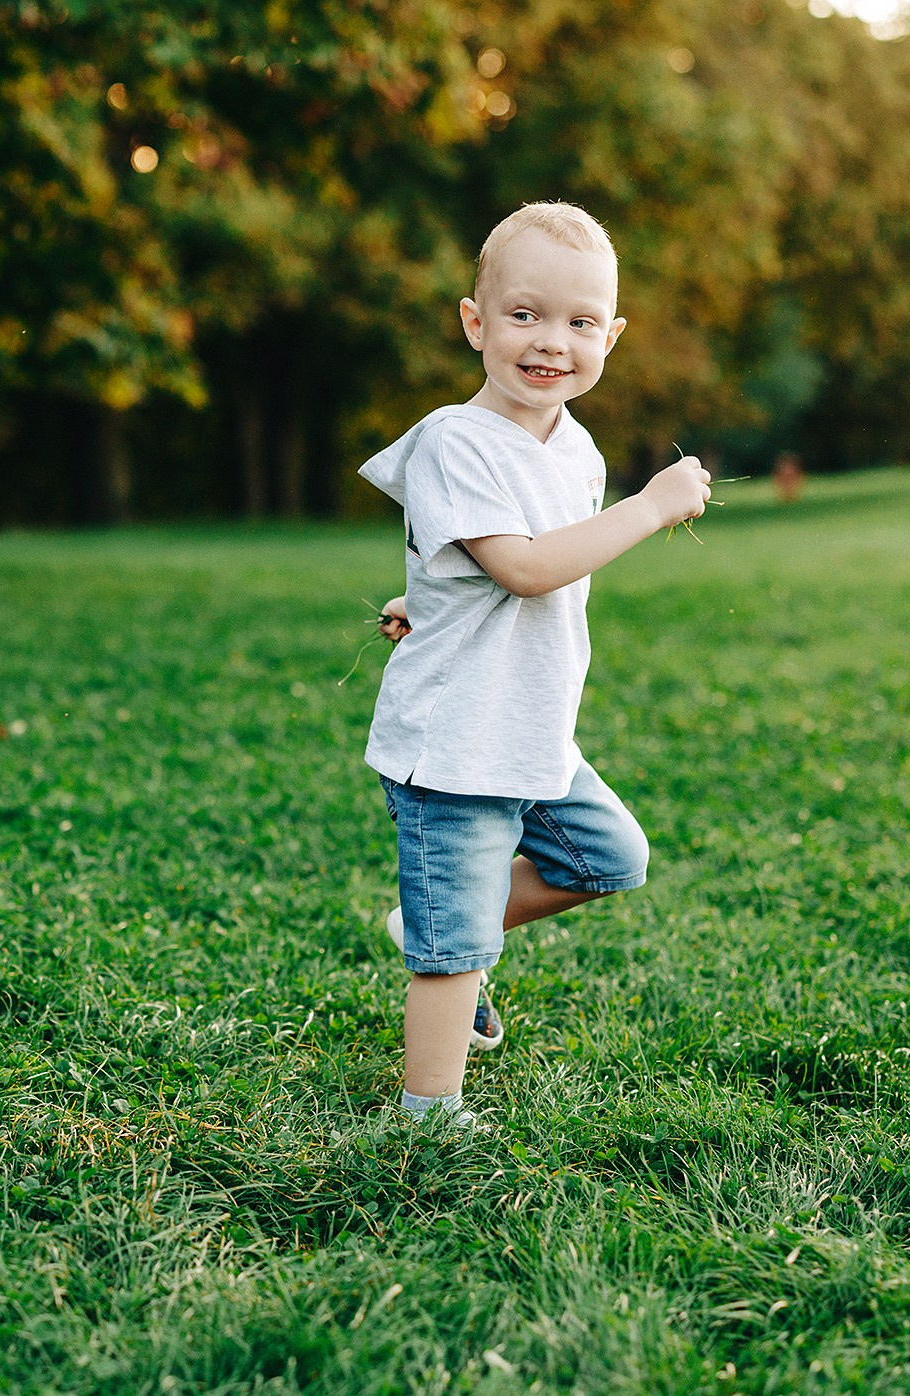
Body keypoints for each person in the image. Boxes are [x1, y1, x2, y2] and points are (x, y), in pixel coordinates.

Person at [358, 202, 711, 1128]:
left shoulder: (577, 449)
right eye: (524, 315)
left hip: (530, 728)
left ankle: (435, 923)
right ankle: (427, 1115)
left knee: (608, 856)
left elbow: (486, 565)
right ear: (476, 323)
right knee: (454, 954)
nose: (552, 341)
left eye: (580, 323)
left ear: (612, 337)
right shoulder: (454, 440)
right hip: (457, 744)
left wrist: (422, 603)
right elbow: (519, 569)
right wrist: (650, 508)